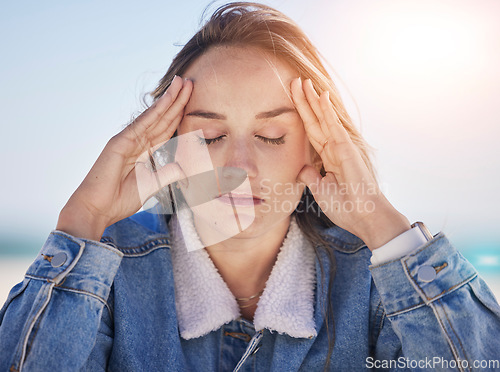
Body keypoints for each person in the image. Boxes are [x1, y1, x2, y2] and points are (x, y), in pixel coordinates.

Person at [1, 2, 499, 371]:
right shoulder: (104, 277)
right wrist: (83, 219)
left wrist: (382, 225)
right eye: (211, 135)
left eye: (270, 135)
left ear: (316, 148)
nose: (239, 165)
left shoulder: (375, 283)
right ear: (168, 145)